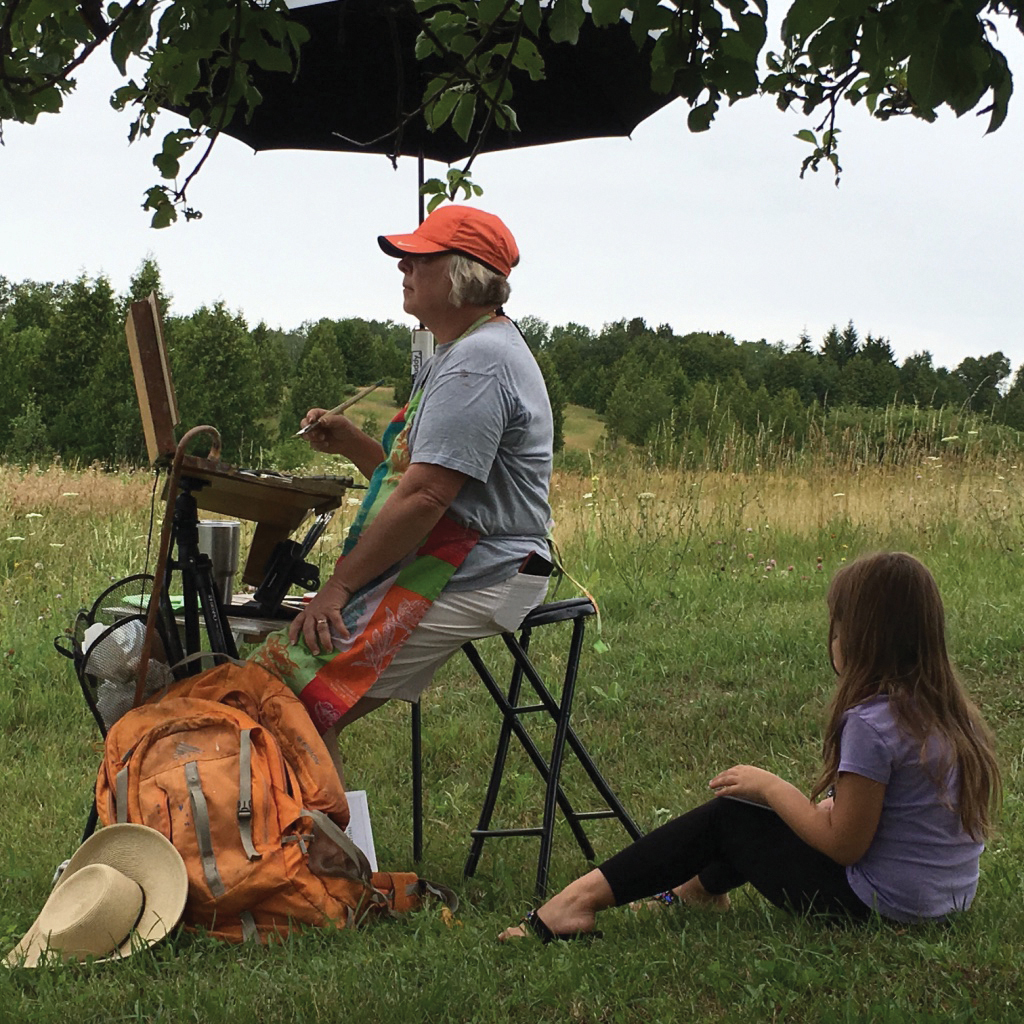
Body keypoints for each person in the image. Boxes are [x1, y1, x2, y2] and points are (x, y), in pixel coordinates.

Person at [500, 551, 1002, 941]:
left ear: (862, 639)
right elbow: (895, 817)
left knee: (733, 815)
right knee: (760, 818)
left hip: (878, 906)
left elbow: (845, 845)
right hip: (942, 902)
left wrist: (772, 788)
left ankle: (572, 904)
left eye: (838, 626)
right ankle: (696, 892)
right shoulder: (948, 714)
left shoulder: (871, 725)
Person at [252, 205, 553, 782]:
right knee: (294, 702)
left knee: (291, 701)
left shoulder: (476, 364)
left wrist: (337, 588)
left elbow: (425, 500)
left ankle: (327, 865)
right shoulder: (470, 349)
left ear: (463, 274)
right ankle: (327, 854)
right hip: (469, 554)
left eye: (420, 258)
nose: (404, 269)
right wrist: (353, 443)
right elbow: (413, 481)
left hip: (479, 565)